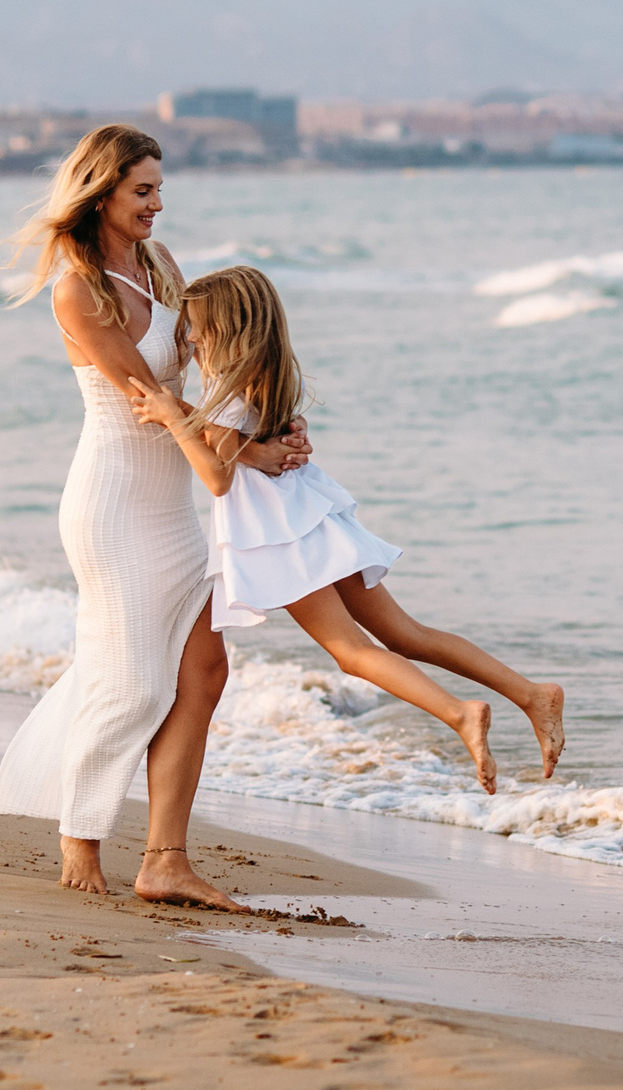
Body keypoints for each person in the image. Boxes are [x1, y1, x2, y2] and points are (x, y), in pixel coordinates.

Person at [0, 127, 308, 907]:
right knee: (129, 683)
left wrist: (269, 430)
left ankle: (165, 859)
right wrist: (237, 455)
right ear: (102, 192)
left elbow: (213, 366)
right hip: (114, 504)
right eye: (143, 191)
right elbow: (153, 405)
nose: (158, 205)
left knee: (204, 669)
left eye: (160, 190)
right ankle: (79, 841)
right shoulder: (79, 290)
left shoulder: (161, 266)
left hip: (171, 502)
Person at [129, 264, 565, 795]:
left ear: (231, 328)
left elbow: (218, 478)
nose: (191, 338)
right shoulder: (266, 374)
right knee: (406, 635)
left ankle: (459, 714)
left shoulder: (232, 389)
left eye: (200, 327)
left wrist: (174, 417)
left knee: (352, 652)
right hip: (310, 516)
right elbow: (234, 439)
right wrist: (188, 410)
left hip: (279, 534)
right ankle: (530, 694)